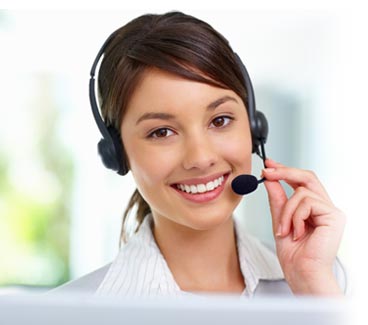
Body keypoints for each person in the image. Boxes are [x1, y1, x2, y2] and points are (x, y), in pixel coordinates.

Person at [54, 11, 347, 297]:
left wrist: (313, 290)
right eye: (162, 132)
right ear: (117, 153)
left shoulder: (321, 281)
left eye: (220, 120)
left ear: (254, 129)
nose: (200, 158)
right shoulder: (63, 314)